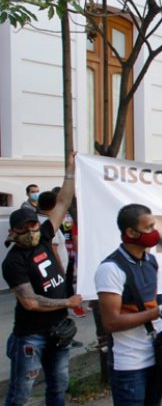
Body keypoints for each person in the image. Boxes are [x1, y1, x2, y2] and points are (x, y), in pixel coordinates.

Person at [2, 153, 82, 406]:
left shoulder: (45, 234)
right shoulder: (13, 262)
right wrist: (67, 303)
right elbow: (31, 303)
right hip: (31, 336)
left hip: (58, 331)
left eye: (33, 225)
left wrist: (70, 172)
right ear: (13, 232)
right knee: (20, 394)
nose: (30, 231)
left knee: (58, 388)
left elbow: (63, 203)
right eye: (24, 228)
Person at [95, 204, 162, 406]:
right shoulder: (110, 269)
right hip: (129, 363)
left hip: (156, 355)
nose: (154, 233)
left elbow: (150, 303)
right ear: (130, 232)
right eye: (149, 228)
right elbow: (110, 323)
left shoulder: (150, 261)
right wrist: (161, 311)